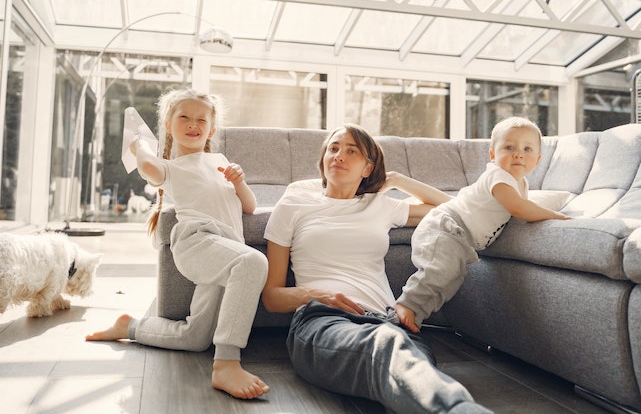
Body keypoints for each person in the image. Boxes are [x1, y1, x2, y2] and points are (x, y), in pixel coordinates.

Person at [262, 123, 493, 414]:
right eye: (333, 148)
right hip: (323, 321)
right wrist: (317, 294)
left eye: (351, 151)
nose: (338, 156)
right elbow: (271, 297)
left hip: (390, 322)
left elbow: (455, 207)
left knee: (405, 375)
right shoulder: (294, 204)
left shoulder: (380, 205)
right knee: (387, 350)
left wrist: (396, 179)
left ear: (368, 169)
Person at [86, 89, 270, 400]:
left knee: (195, 337)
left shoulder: (220, 160)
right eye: (183, 117)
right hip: (198, 244)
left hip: (227, 252)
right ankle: (226, 362)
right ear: (169, 125)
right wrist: (139, 144)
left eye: (201, 119)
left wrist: (240, 182)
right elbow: (148, 169)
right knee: (253, 262)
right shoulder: (170, 167)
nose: (192, 124)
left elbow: (249, 207)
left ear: (211, 129)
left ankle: (129, 327)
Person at [396, 116, 571, 333]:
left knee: (451, 277)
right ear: (492, 155)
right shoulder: (499, 176)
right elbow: (518, 208)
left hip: (460, 237)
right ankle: (406, 305)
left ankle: (413, 315)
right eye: (509, 147)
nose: (518, 153)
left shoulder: (521, 184)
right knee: (440, 270)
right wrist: (555, 216)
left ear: (537, 160)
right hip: (446, 226)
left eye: (527, 149)